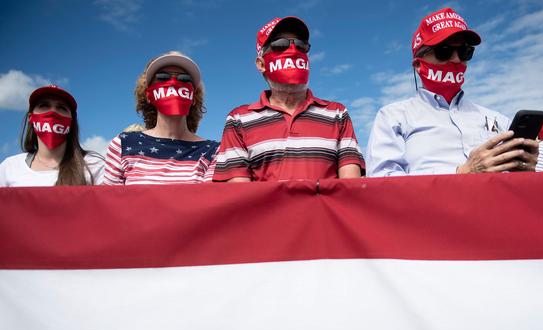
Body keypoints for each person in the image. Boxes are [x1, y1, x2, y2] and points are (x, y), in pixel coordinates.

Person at [366, 7, 539, 176]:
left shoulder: (500, 120)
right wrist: (461, 173)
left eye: (465, 52)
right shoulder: (393, 117)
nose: (456, 59)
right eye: (444, 51)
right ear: (418, 65)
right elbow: (382, 182)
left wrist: (529, 170)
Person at [213, 16, 365, 182]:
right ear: (261, 64)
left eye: (301, 45)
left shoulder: (337, 113)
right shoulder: (238, 119)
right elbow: (240, 195)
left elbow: (351, 187)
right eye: (280, 45)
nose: (293, 51)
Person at [103, 51, 219, 185]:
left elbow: (209, 201)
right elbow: (109, 202)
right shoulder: (122, 144)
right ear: (148, 94)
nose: (174, 83)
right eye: (162, 77)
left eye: (184, 79)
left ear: (194, 96)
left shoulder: (213, 151)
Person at [0, 85, 104, 187]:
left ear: (72, 121)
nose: (52, 112)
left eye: (61, 107)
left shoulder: (94, 165)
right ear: (30, 117)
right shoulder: (9, 168)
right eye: (44, 105)